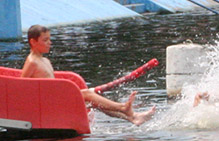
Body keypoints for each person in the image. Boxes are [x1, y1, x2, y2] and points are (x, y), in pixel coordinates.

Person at [20, 25, 155, 125]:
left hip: (55, 102)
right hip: (45, 105)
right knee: (86, 94)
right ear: (33, 42)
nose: (50, 42)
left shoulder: (45, 60)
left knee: (94, 101)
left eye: (49, 39)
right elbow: (21, 87)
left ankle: (133, 117)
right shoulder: (32, 62)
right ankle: (123, 107)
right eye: (45, 40)